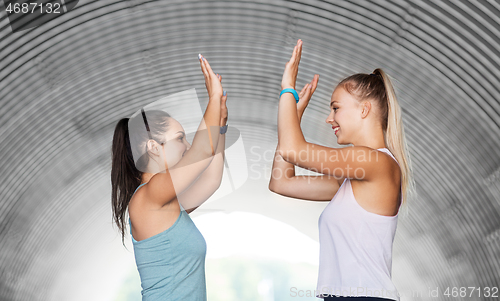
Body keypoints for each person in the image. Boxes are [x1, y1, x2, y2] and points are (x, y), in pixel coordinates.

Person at [269, 39, 416, 301]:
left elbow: (293, 150)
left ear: (364, 109)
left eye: (335, 108)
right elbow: (281, 182)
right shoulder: (352, 179)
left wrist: (287, 90)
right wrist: (296, 114)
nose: (329, 118)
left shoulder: (375, 162)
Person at [111, 53, 228, 300]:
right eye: (179, 138)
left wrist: (221, 124)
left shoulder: (166, 200)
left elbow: (212, 179)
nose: (186, 146)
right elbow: (202, 151)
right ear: (153, 147)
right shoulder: (149, 195)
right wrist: (214, 98)